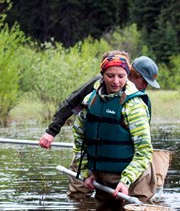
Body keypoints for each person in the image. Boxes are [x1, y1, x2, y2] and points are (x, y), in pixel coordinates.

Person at [39, 52, 160, 197]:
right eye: (145, 81)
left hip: (124, 166)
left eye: (120, 76)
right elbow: (72, 103)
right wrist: (51, 131)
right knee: (79, 194)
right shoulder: (99, 85)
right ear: (134, 74)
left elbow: (142, 144)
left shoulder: (138, 101)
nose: (145, 86)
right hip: (92, 157)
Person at [71, 53, 157, 211]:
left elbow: (144, 151)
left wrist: (126, 181)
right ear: (102, 75)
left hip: (128, 179)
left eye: (121, 76)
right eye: (110, 76)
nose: (116, 81)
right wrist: (86, 172)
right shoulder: (90, 101)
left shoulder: (134, 105)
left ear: (128, 76)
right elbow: (79, 140)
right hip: (100, 178)